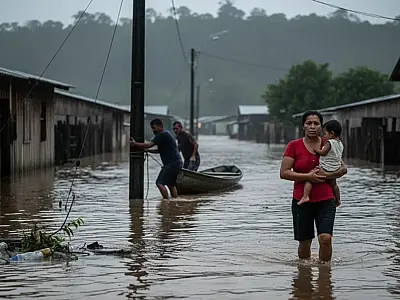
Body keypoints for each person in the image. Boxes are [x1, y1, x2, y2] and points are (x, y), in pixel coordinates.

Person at [280, 110, 347, 263]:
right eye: (308, 123)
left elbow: (343, 169)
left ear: (321, 127)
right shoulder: (294, 146)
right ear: (303, 126)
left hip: (326, 199)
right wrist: (308, 177)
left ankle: (325, 275)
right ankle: (304, 276)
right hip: (301, 200)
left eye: (316, 123)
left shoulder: (329, 144)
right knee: (305, 242)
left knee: (326, 239)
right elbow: (283, 173)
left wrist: (325, 176)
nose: (312, 126)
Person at [130, 118, 182, 199]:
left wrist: (135, 144)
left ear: (160, 126)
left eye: (154, 128)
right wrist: (148, 151)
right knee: (171, 184)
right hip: (177, 163)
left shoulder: (162, 134)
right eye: (152, 129)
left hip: (172, 164)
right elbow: (159, 150)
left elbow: (149, 144)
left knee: (159, 183)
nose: (153, 130)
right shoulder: (166, 134)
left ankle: (166, 202)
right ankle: (174, 202)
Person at [298, 120, 344, 207]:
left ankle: (305, 196)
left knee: (310, 177)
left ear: (332, 133)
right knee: (334, 185)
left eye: (325, 133)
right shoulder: (340, 144)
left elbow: (323, 152)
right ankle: (338, 200)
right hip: (335, 167)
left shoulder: (329, 142)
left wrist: (316, 149)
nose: (324, 136)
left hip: (326, 167)